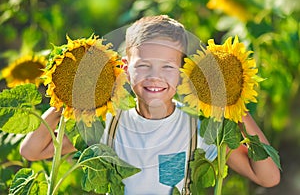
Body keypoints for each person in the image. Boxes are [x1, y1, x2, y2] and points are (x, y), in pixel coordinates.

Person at [20, 15, 280, 194]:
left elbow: (268, 177)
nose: (154, 76)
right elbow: (32, 151)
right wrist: (64, 101)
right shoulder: (108, 124)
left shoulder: (200, 130)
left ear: (182, 72)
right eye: (143, 65)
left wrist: (237, 108)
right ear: (125, 69)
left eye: (168, 67)